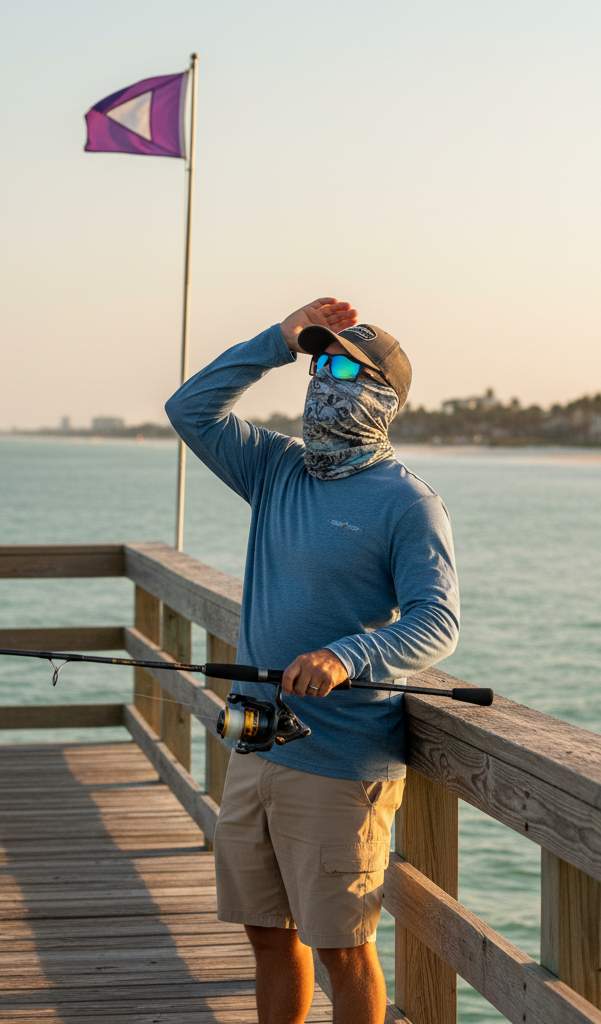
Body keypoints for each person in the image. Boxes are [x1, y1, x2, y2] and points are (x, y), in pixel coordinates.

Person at [165, 298, 459, 1024]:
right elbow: (188, 409)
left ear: (382, 397)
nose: (319, 379)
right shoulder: (276, 471)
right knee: (266, 932)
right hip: (256, 742)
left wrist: (346, 654)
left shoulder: (407, 503)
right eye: (316, 362)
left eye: (339, 367)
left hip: (339, 761)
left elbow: (438, 621)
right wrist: (279, 338)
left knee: (343, 951)